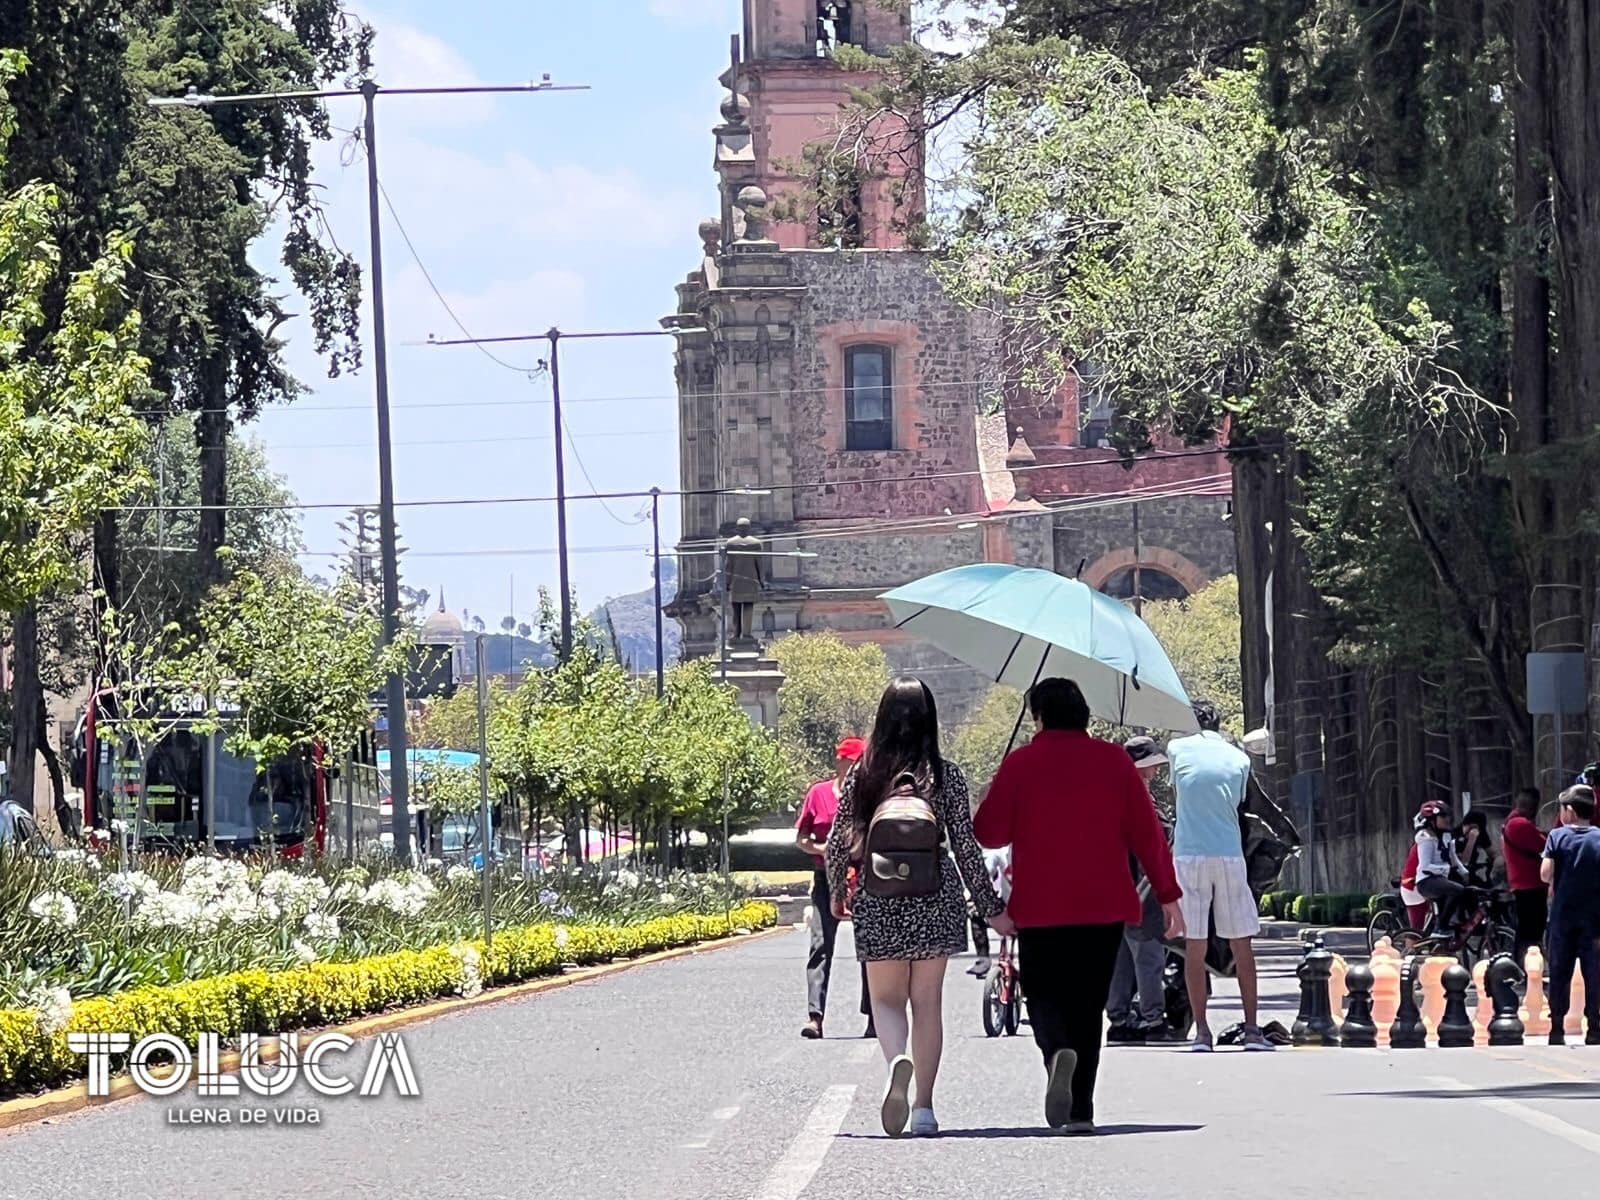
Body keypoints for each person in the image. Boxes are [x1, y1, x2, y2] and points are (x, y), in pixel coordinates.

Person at [975, 679, 1182, 1134]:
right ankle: (1081, 1111)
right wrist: (1168, 895)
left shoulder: (1022, 763)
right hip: (1103, 904)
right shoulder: (1113, 762)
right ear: (1085, 715)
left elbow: (988, 833)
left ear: (1039, 718)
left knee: (1045, 996)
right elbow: (1147, 835)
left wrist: (998, 785)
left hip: (1041, 904)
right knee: (1089, 1005)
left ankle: (1055, 1054)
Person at [825, 677, 1006, 1138]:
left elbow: (834, 842)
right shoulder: (946, 775)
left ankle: (895, 1062)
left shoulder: (864, 775)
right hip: (935, 895)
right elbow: (966, 849)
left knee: (886, 1000)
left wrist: (837, 891)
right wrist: (989, 906)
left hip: (879, 896)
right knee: (927, 1003)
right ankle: (924, 1108)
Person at [1167, 699, 1270, 1052]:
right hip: (1228, 853)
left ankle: (1202, 1033)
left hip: (1189, 854)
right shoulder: (1240, 758)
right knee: (1242, 943)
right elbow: (1239, 801)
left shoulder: (1176, 748)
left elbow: (1178, 790)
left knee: (1194, 946)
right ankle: (1253, 1031)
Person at [795, 736, 872, 1040]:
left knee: (869, 949)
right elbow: (801, 839)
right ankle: (816, 1016)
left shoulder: (869, 797)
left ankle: (874, 1017)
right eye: (852, 763)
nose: (856, 769)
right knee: (820, 946)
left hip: (863, 880)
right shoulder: (818, 794)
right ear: (839, 762)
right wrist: (824, 848)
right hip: (825, 878)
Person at [1107, 736, 1177, 1044]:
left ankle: (1118, 1019)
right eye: (1151, 766)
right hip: (1141, 890)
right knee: (1148, 958)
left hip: (1113, 892)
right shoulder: (1140, 800)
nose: (1155, 772)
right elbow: (1159, 840)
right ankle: (1153, 1020)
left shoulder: (1110, 796)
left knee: (1120, 960)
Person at [1541, 784, 1600, 1045]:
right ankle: (1595, 1028)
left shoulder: (1557, 836)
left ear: (1571, 811)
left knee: (1560, 971)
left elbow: (1544, 873)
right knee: (1594, 972)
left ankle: (1556, 1028)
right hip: (1595, 918)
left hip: (1563, 916)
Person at [1502, 787, 1548, 965]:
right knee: (1531, 929)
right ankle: (1525, 965)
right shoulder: (1520, 824)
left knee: (1529, 927)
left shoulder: (1512, 822)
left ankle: (1525, 963)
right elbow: (1541, 845)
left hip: (1525, 882)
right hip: (1528, 883)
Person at [1413, 799, 1467, 933]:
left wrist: (1465, 871)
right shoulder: (1425, 837)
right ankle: (1441, 927)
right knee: (1457, 890)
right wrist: (1445, 869)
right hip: (1427, 881)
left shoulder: (1447, 835)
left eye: (1448, 815)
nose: (1447, 819)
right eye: (1443, 816)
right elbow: (1425, 866)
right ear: (1432, 820)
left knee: (1470, 890)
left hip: (1442, 879)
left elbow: (1453, 858)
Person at [1454, 810, 1494, 889]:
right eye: (1471, 827)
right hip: (1457, 874)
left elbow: (1492, 852)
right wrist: (1471, 841)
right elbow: (1463, 862)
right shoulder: (1455, 835)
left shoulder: (1481, 834)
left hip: (1472, 871)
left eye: (1476, 828)